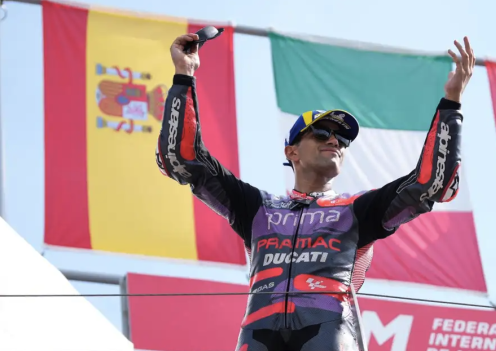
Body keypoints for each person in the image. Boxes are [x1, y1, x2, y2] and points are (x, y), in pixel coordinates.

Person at [156, 31, 475, 351]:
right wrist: (184, 74)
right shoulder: (257, 208)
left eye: (342, 139)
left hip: (331, 331)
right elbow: (182, 160)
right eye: (321, 133)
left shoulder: (358, 208)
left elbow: (431, 182)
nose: (334, 141)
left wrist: (452, 101)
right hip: (257, 333)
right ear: (291, 152)